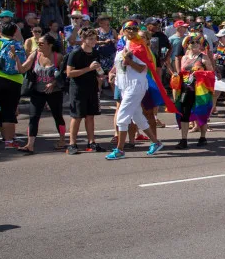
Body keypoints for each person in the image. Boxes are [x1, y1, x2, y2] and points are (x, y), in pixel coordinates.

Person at [106, 21, 164, 159]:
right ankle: (156, 142)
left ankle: (120, 150)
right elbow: (119, 66)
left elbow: (143, 68)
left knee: (122, 117)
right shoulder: (122, 46)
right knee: (137, 116)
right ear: (123, 30)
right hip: (124, 85)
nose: (131, 31)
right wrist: (112, 73)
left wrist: (130, 62)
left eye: (134, 28)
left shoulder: (139, 47)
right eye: (128, 28)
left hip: (135, 86)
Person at [18, 34, 66, 153]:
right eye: (37, 43)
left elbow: (64, 74)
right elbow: (22, 69)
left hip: (54, 92)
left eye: (41, 43)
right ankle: (30, 145)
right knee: (33, 117)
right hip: (37, 91)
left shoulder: (58, 57)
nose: (38, 45)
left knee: (57, 116)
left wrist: (53, 83)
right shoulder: (35, 54)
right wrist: (16, 59)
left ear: (50, 45)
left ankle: (62, 141)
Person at [0, 22, 33, 148]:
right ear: (14, 32)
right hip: (14, 81)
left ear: (0, 31)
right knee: (9, 111)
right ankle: (9, 142)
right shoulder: (18, 45)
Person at [65, 27, 105, 154]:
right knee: (77, 116)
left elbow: (97, 69)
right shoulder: (75, 53)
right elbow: (69, 73)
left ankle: (91, 142)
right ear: (83, 39)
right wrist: (89, 68)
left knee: (90, 116)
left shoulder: (95, 53)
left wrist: (100, 76)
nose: (94, 41)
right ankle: (72, 144)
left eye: (95, 38)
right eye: (91, 39)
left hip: (92, 87)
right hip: (78, 88)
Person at [173, 35, 215, 149]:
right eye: (192, 42)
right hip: (185, 90)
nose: (195, 44)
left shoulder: (203, 57)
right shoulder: (184, 58)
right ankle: (183, 140)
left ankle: (203, 137)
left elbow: (211, 73)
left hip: (200, 91)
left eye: (197, 42)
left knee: (201, 112)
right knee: (184, 113)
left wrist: (200, 73)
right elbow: (182, 72)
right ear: (188, 45)